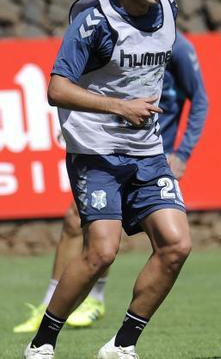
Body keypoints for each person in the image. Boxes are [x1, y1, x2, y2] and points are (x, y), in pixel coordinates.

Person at [24, 0, 192, 359]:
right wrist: (121, 107)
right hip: (95, 152)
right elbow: (56, 89)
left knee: (176, 245)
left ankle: (121, 346)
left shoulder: (170, 12)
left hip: (147, 153)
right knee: (101, 252)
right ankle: (42, 344)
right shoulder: (94, 20)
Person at [14, 28, 207, 333]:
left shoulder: (177, 45)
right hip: (109, 151)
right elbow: (102, 90)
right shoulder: (115, 37)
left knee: (164, 242)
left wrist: (182, 153)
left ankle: (95, 302)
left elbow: (200, 101)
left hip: (151, 156)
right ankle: (61, 305)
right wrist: (73, 123)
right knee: (79, 223)